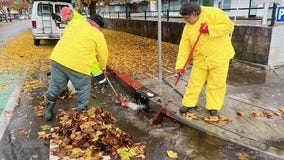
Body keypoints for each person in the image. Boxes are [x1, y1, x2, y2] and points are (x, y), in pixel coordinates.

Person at [45, 7, 109, 121]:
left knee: (55, 86)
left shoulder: (75, 22)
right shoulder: (98, 34)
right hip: (79, 66)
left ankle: (48, 112)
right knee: (83, 89)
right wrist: (102, 68)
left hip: (58, 59)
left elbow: (68, 37)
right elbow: (103, 55)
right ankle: (81, 115)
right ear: (98, 26)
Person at [175, 2, 235, 116]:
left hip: (220, 56)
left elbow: (229, 26)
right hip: (201, 59)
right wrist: (181, 66)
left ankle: (213, 106)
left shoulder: (213, 12)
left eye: (187, 18)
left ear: (194, 14)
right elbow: (184, 48)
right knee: (194, 82)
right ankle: (188, 103)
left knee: (217, 83)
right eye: (184, 18)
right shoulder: (187, 28)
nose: (185, 21)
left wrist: (210, 29)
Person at [53, 7, 108, 89]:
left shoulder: (80, 20)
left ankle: (100, 80)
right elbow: (68, 22)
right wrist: (59, 19)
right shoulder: (74, 18)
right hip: (78, 45)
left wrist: (102, 67)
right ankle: (99, 80)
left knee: (89, 61)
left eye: (67, 18)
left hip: (80, 43)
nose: (66, 20)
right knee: (87, 60)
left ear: (71, 13)